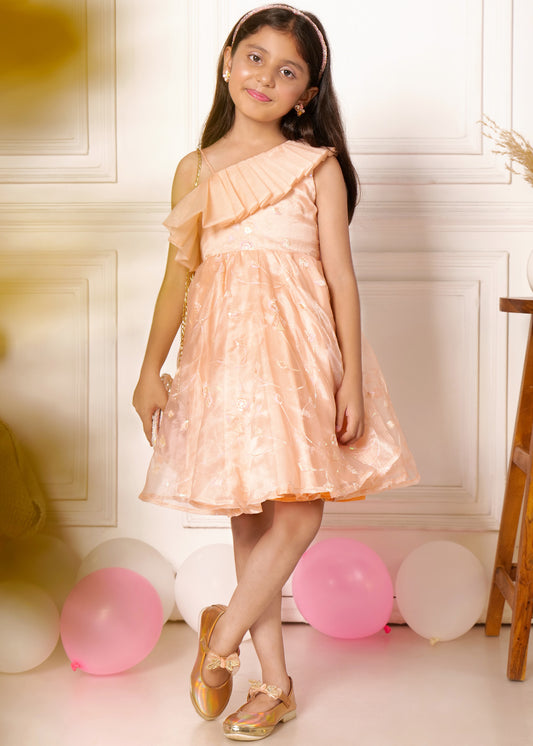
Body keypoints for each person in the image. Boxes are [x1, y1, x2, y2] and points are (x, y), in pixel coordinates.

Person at [133, 4, 419, 740]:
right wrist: (148, 371)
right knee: (252, 518)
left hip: (298, 358)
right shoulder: (193, 171)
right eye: (254, 57)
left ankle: (218, 642)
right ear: (228, 59)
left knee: (298, 511)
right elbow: (178, 280)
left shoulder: (313, 167)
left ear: (306, 95)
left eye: (287, 70)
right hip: (223, 359)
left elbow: (341, 280)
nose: (265, 77)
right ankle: (277, 687)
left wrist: (350, 377)